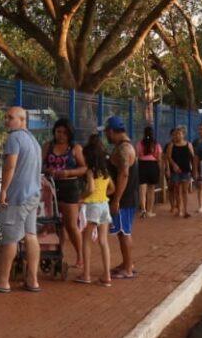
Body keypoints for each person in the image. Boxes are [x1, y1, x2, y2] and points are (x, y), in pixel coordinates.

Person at [0, 105, 44, 293]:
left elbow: (10, 166)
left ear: (22, 120)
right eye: (6, 117)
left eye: (11, 117)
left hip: (17, 197)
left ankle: (3, 281)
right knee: (31, 235)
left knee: (10, 238)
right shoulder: (33, 140)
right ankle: (32, 280)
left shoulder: (14, 138)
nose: (7, 120)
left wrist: (3, 190)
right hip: (33, 195)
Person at [45, 118, 88, 273]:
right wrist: (48, 170)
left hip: (70, 188)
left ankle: (81, 256)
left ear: (69, 134)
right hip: (51, 188)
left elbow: (84, 168)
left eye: (64, 132)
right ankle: (58, 254)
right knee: (56, 224)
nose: (61, 135)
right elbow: (40, 164)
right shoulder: (48, 146)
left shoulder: (75, 148)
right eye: (58, 132)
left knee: (71, 224)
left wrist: (68, 172)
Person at [74, 134, 114, 286]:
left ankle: (86, 275)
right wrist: (102, 195)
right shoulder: (105, 172)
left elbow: (90, 188)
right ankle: (107, 276)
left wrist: (81, 197)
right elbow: (112, 188)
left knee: (86, 240)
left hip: (93, 206)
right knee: (103, 241)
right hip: (104, 205)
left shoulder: (91, 171)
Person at [105, 117, 138, 280]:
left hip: (124, 199)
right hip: (126, 197)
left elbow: (124, 174)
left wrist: (117, 199)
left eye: (106, 132)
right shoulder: (123, 146)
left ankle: (128, 268)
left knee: (124, 232)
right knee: (121, 232)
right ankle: (127, 263)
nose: (106, 135)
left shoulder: (124, 149)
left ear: (111, 131)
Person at [166, 126, 194, 218]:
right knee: (177, 190)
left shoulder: (188, 144)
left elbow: (192, 156)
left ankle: (186, 210)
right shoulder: (171, 145)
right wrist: (174, 165)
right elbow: (169, 157)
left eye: (179, 134)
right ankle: (179, 210)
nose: (177, 135)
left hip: (186, 170)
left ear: (183, 135)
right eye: (176, 134)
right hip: (176, 171)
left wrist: (193, 168)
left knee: (185, 191)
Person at [137, 126, 162, 217]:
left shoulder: (140, 143)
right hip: (153, 165)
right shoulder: (156, 144)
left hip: (142, 165)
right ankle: (149, 211)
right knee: (151, 190)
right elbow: (159, 158)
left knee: (142, 189)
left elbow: (138, 155)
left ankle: (142, 210)